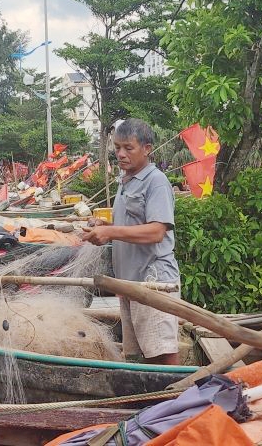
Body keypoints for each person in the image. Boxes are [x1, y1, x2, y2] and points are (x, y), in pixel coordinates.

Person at [81, 118, 180, 365]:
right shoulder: (125, 181)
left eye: (128, 148)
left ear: (147, 148)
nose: (121, 154)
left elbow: (157, 231)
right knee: (137, 355)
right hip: (129, 284)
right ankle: (148, 401)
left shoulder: (155, 181)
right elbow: (129, 227)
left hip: (153, 282)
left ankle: (174, 400)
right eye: (117, 148)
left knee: (162, 351)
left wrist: (112, 232)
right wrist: (104, 227)